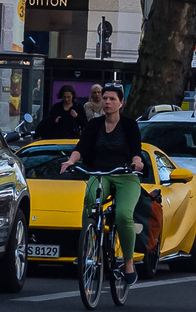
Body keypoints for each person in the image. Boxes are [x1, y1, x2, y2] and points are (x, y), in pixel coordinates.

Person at [61, 84, 149, 273]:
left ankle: (128, 263)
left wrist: (137, 161)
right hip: (100, 173)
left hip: (125, 175)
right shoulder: (94, 125)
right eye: (105, 98)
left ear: (121, 103)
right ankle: (89, 248)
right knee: (90, 200)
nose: (107, 102)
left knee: (123, 215)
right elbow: (81, 148)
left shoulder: (129, 125)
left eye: (112, 99)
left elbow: (136, 150)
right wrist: (70, 161)